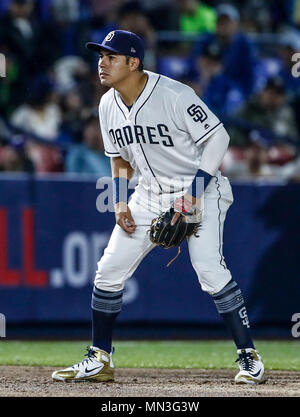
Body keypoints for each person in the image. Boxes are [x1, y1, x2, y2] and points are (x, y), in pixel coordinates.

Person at [52, 30, 266, 384]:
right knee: (108, 270)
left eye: (111, 57)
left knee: (209, 270)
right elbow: (118, 158)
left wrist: (194, 194)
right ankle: (100, 357)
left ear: (133, 62)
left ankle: (249, 356)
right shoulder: (107, 104)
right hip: (148, 193)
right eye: (100, 56)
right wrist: (120, 200)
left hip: (200, 189)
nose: (101, 63)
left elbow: (219, 137)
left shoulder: (173, 94)